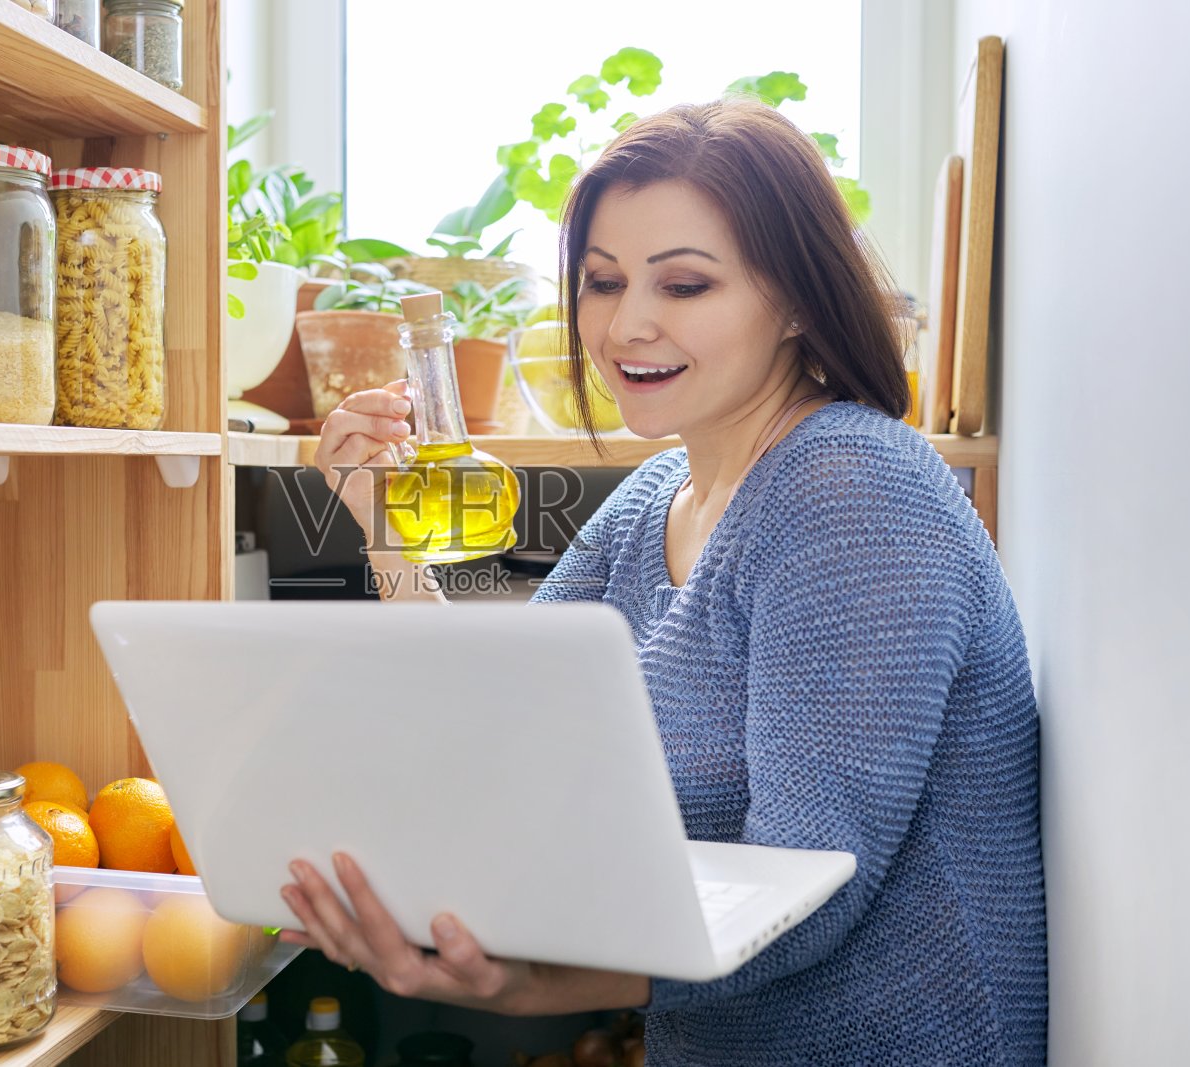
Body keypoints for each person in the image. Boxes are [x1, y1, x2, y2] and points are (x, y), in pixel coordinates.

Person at [280, 99, 1047, 1065]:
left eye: (685, 285)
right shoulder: (659, 496)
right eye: (602, 282)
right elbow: (507, 715)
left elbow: (803, 887)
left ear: (800, 299)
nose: (627, 324)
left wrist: (531, 985)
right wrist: (386, 537)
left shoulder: (854, 488)